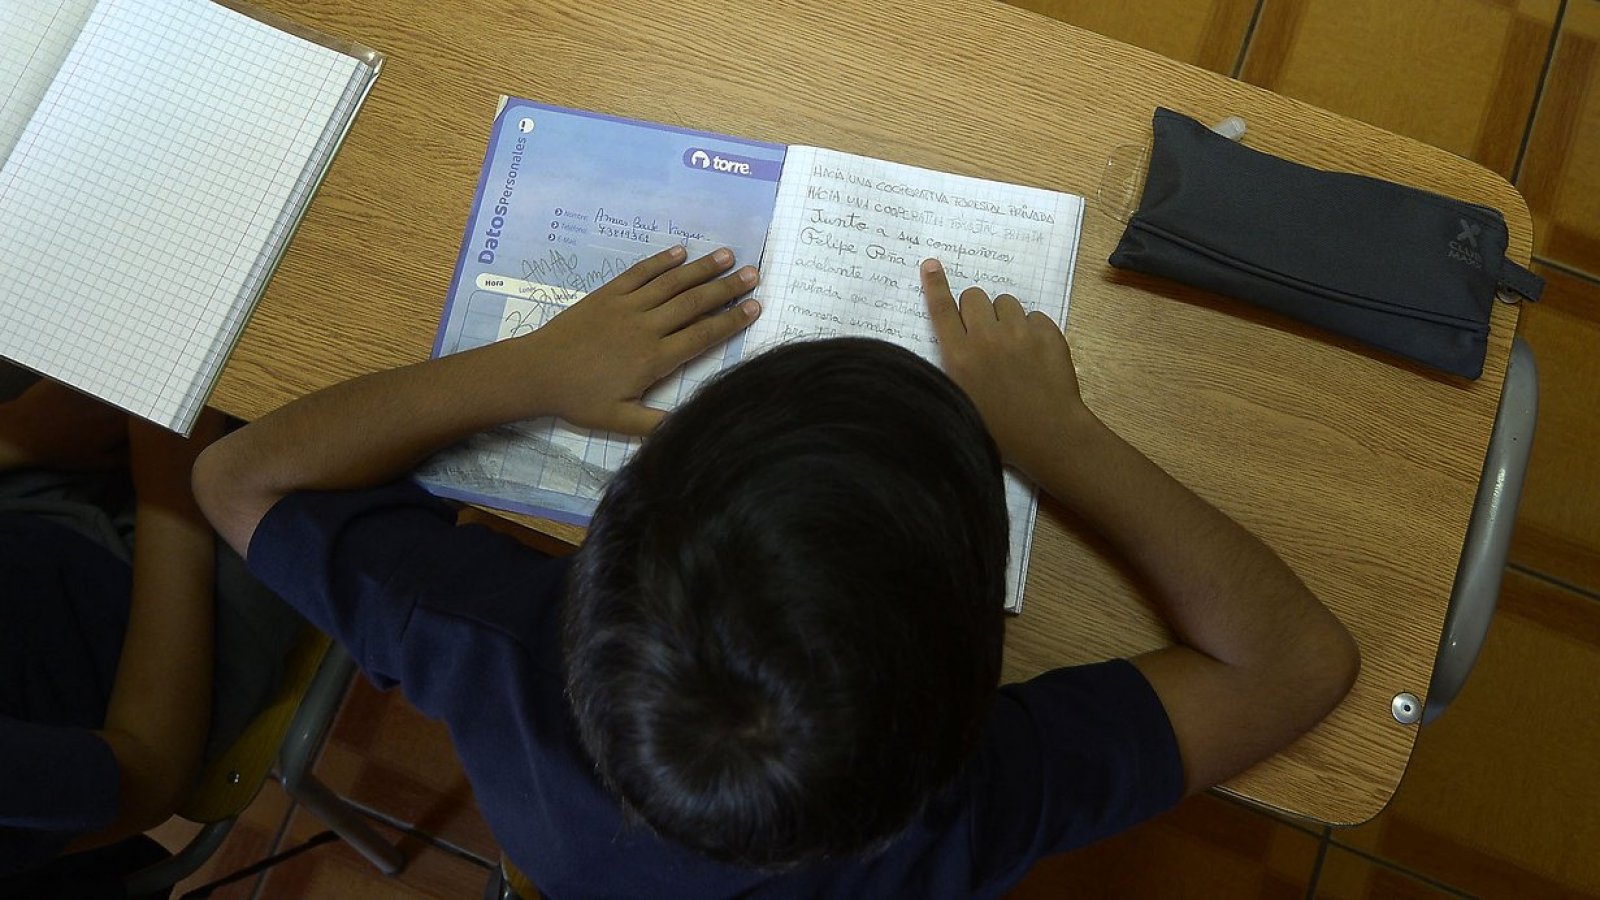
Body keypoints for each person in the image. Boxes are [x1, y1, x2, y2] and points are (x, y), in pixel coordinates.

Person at [192, 245, 1360, 897]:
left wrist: (529, 372)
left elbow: (237, 483)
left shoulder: (500, 652)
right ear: (975, 662)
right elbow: (1297, 662)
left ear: (608, 544)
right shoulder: (953, 814)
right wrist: (1063, 443)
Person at [0, 380, 222, 892]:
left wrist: (15, 434)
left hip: (27, 524)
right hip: (154, 646)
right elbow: (150, 773)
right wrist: (174, 497)